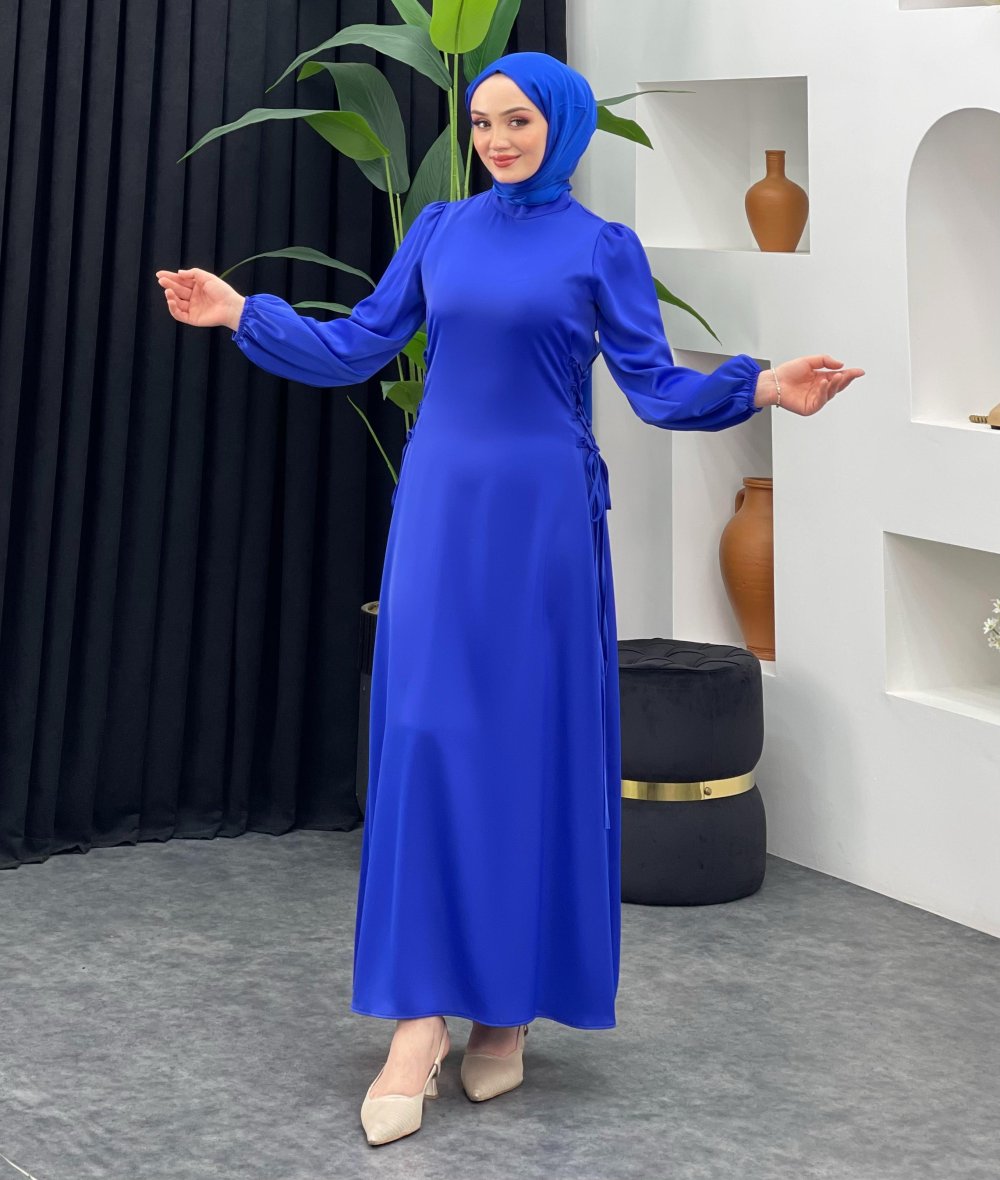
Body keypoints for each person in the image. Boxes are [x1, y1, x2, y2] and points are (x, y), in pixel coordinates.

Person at [156, 50, 864, 1148]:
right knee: (427, 741)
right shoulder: (441, 231)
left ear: (560, 125)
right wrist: (242, 311)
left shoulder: (601, 247)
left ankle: (505, 1013)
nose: (494, 138)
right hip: (441, 516)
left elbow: (654, 387)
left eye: (517, 120)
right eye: (483, 121)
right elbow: (355, 347)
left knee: (526, 754)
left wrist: (764, 383)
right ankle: (417, 1023)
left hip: (542, 529)